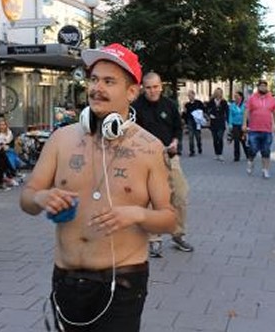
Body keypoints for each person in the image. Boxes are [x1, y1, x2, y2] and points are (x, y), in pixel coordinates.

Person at [20, 43, 176, 331]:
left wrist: (136, 215)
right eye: (93, 80)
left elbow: (169, 218)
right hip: (66, 279)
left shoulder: (150, 148)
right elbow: (27, 198)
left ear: (132, 92)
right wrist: (41, 197)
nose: (96, 88)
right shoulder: (61, 140)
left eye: (108, 81)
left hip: (123, 282)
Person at [132, 72, 192, 257]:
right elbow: (130, 133)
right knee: (151, 199)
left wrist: (175, 141)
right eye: (148, 87)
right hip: (145, 159)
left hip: (169, 156)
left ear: (161, 86)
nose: (152, 91)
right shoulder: (135, 107)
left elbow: (177, 128)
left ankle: (178, 234)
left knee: (180, 194)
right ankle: (154, 239)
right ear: (143, 87)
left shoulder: (170, 105)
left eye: (155, 87)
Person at [242, 80, 275, 178]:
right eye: (261, 86)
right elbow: (246, 111)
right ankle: (250, 161)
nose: (263, 88)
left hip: (267, 129)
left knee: (266, 150)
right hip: (254, 129)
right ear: (258, 87)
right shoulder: (252, 98)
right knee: (253, 148)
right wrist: (244, 124)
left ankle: (265, 169)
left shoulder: (271, 99)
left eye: (265, 86)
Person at [206, 87, 229, 161]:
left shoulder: (224, 102)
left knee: (220, 137)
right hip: (213, 122)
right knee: (215, 139)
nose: (219, 94)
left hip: (221, 121)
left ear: (221, 94)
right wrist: (209, 115)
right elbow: (207, 110)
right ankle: (216, 153)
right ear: (215, 93)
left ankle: (220, 154)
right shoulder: (211, 101)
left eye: (220, 92)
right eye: (217, 92)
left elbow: (227, 111)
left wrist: (228, 121)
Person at [228, 91, 249, 162]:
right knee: (236, 140)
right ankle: (236, 156)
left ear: (241, 97)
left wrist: (246, 124)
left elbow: (246, 115)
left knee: (243, 140)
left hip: (243, 124)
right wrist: (230, 124)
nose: (236, 98)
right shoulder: (232, 105)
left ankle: (248, 154)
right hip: (235, 125)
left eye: (237, 96)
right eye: (235, 96)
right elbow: (230, 115)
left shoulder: (244, 105)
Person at [183, 90, 205, 156]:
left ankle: (199, 146)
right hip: (190, 121)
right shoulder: (187, 104)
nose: (190, 97)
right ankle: (192, 151)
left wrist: (200, 114)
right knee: (191, 137)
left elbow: (203, 110)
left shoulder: (198, 103)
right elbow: (185, 115)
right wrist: (184, 112)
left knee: (198, 136)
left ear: (194, 95)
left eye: (191, 95)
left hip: (197, 122)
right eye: (188, 96)